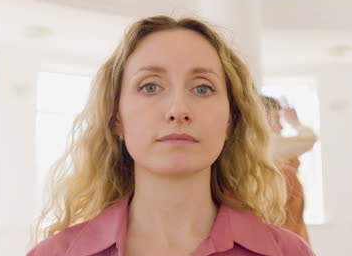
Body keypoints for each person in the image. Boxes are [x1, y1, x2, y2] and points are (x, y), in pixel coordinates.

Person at [28, 16, 315, 256]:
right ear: (116, 118)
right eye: (150, 87)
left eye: (202, 88)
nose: (178, 110)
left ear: (231, 120)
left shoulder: (288, 251)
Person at [260, 95, 317, 246]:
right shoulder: (266, 144)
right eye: (277, 119)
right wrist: (295, 123)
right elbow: (309, 139)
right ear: (262, 117)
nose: (281, 126)